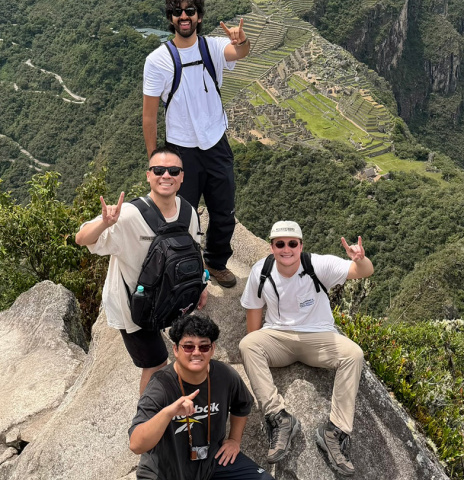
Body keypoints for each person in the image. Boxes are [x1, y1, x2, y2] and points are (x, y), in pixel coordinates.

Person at [239, 221, 374, 476]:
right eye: (280, 244)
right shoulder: (261, 271)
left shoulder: (317, 265)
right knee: (248, 345)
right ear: (272, 247)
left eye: (292, 244)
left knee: (353, 355)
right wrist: (256, 352)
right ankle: (279, 418)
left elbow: (363, 272)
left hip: (318, 337)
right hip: (278, 337)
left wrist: (360, 259)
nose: (286, 249)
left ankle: (335, 431)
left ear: (301, 246)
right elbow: (253, 318)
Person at [75, 146, 207, 395]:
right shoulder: (128, 215)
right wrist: (104, 223)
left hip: (167, 294)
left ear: (181, 176)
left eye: (173, 170)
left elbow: (193, 252)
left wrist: (202, 285)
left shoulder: (189, 212)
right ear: (148, 175)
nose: (165, 175)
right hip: (132, 304)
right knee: (157, 362)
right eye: (158, 170)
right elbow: (82, 239)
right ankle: (147, 421)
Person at [142, 0, 251, 288]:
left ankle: (215, 262)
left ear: (199, 16)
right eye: (177, 11)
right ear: (171, 17)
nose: (184, 16)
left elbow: (239, 52)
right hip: (180, 150)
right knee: (180, 213)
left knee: (224, 209)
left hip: (215, 142)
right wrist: (155, 160)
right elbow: (149, 116)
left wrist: (242, 41)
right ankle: (184, 268)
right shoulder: (157, 60)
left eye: (190, 10)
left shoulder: (212, 48)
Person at [129, 314, 274, 480]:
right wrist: (168, 412)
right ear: (176, 349)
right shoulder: (160, 386)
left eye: (204, 347)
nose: (196, 353)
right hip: (166, 471)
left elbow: (242, 405)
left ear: (212, 349)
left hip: (211, 463)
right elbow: (136, 445)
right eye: (188, 347)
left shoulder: (225, 375)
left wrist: (234, 440)